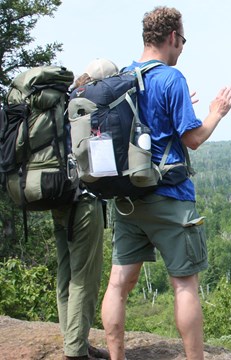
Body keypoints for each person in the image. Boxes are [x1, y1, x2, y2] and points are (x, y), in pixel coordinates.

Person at [99, 6, 231, 360]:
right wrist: (216, 113)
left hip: (128, 200)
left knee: (118, 285)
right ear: (173, 37)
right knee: (184, 284)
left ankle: (116, 357)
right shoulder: (171, 79)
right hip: (169, 198)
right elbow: (193, 139)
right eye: (182, 41)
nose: (182, 48)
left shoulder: (125, 77)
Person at [55, 58, 118, 360]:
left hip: (57, 198)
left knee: (66, 272)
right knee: (85, 277)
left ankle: (74, 341)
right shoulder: (91, 108)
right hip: (85, 200)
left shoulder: (61, 104)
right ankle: (75, 351)